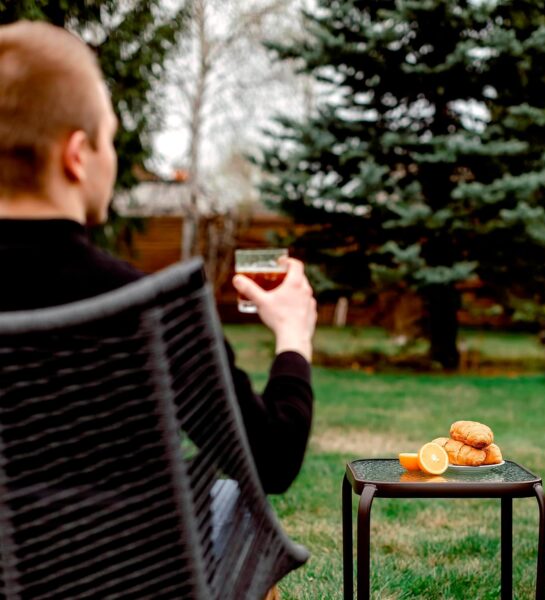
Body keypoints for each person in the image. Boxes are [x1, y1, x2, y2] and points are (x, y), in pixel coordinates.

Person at [0, 20, 317, 495]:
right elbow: (271, 461)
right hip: (117, 546)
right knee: (231, 502)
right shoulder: (152, 309)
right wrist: (293, 335)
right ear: (77, 155)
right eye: (109, 139)